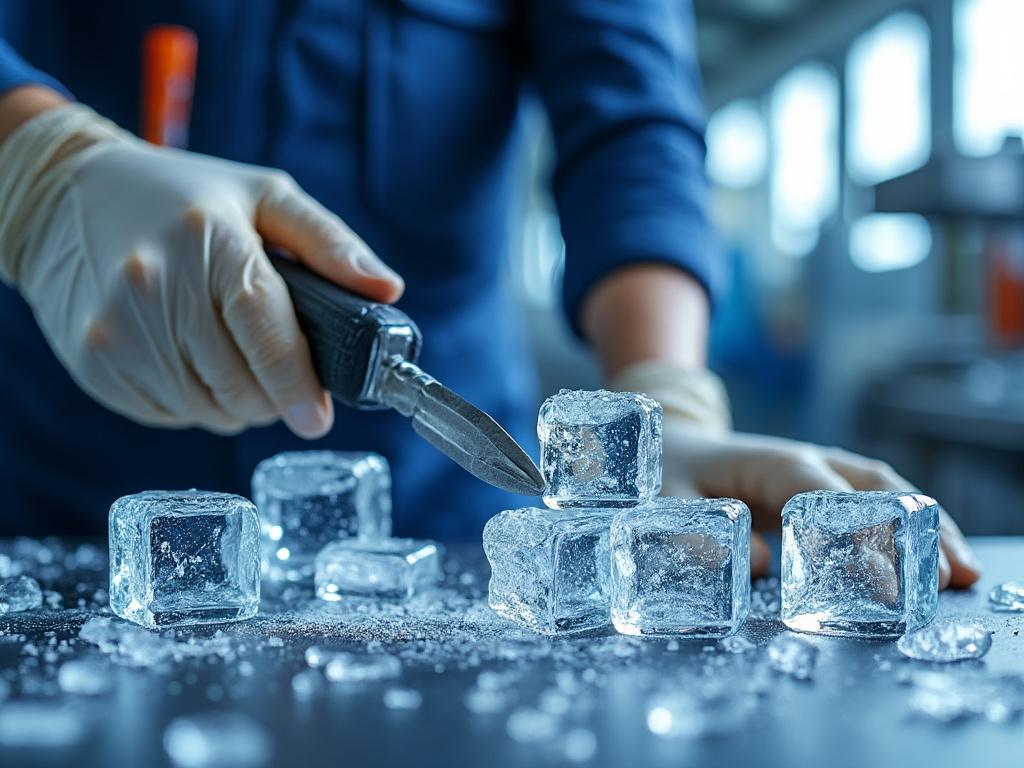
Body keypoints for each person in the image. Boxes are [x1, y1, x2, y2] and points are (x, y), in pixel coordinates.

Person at [0, 2, 979, 588]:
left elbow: (630, 130)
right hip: (55, 504)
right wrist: (39, 167)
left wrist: (663, 400)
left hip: (442, 529)